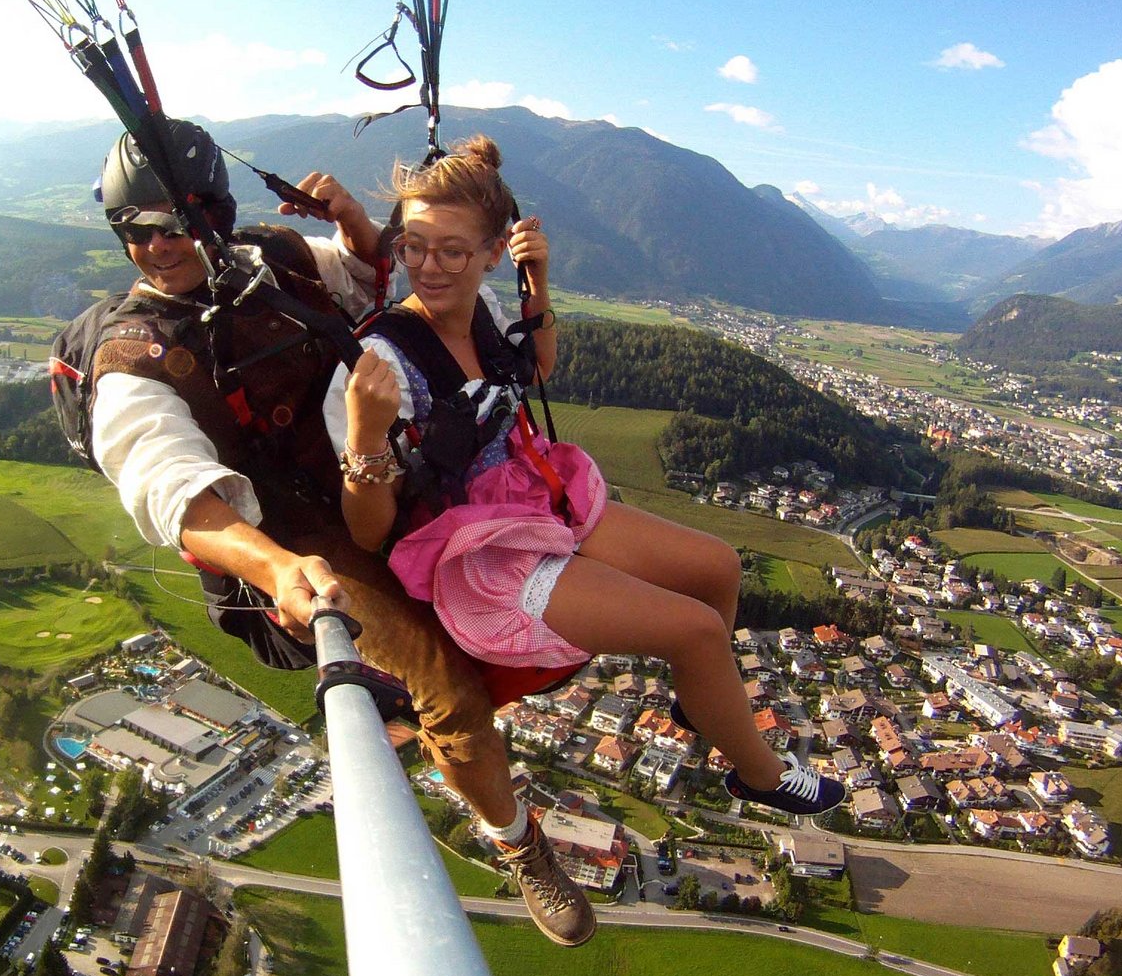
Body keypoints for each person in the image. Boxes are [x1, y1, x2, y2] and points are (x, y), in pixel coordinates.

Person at [69, 118, 598, 946]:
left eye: (179, 221)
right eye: (136, 230)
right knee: (446, 686)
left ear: (214, 211)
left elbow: (357, 282)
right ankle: (517, 840)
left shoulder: (267, 258)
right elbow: (173, 485)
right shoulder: (131, 356)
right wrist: (275, 566)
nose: (160, 245)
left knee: (548, 559)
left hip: (380, 472)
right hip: (302, 539)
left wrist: (354, 219)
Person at [326, 135, 846, 821]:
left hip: (535, 495)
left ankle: (701, 701)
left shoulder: (483, 315)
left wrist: (536, 284)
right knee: (695, 630)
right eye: (414, 246)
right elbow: (370, 533)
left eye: (453, 251)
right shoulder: (381, 360)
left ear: (489, 256)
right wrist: (365, 435)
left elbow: (532, 370)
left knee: (718, 568)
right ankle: (759, 773)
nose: (429, 266)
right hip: (483, 551)